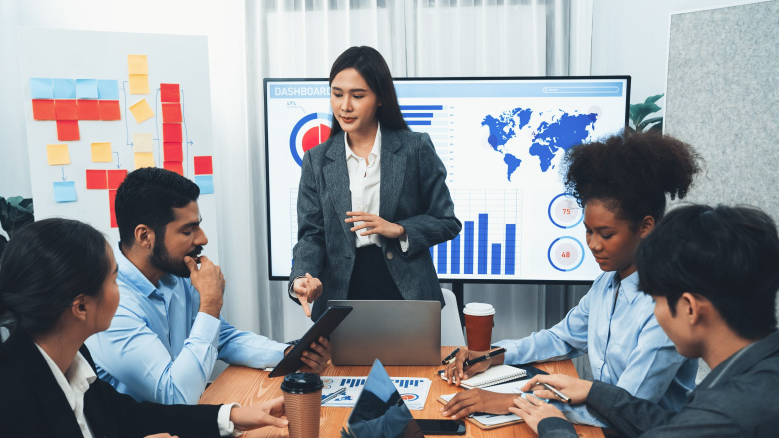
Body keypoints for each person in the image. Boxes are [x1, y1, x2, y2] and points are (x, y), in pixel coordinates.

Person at [442, 133, 701, 427]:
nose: (593, 244)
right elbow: (561, 338)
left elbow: (627, 406)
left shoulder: (666, 311)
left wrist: (511, 403)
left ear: (645, 227)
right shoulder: (607, 283)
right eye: (588, 231)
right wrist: (492, 355)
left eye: (606, 234)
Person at [0, 218, 288, 437]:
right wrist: (210, 304)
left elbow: (130, 416)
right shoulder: (4, 405)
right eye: (114, 279)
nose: (121, 289)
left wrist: (238, 415)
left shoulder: (72, 356)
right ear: (81, 307)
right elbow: (173, 397)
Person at [511, 205, 779, 438]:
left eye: (654, 298)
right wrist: (594, 392)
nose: (655, 313)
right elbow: (671, 424)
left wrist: (554, 427)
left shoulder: (723, 416)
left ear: (690, 308)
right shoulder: (758, 374)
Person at [86, 167, 331, 405]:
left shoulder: (177, 273)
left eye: (198, 225)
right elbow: (175, 395)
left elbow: (221, 337)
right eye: (188, 230)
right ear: (144, 237)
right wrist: (210, 303)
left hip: (185, 421)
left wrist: (289, 355)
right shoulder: (112, 303)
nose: (202, 239)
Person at [289, 45, 461, 321]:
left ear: (380, 97)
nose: (345, 106)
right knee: (342, 367)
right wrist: (301, 276)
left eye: (357, 95)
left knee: (410, 366)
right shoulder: (316, 160)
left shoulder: (415, 148)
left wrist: (399, 229)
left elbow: (447, 221)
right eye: (337, 94)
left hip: (406, 291)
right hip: (341, 292)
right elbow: (311, 235)